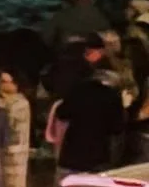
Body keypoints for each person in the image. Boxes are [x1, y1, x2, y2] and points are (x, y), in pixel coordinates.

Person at [50, 42, 127, 173]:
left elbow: (62, 113)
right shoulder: (113, 96)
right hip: (99, 153)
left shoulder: (78, 89)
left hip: (73, 150)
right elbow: (117, 127)